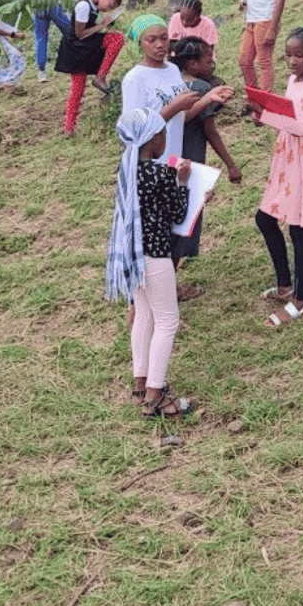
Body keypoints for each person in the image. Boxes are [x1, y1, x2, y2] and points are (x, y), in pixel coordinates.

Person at [105, 106, 196, 420]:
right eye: (161, 133)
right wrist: (184, 183)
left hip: (133, 255)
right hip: (156, 256)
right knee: (167, 320)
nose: (164, 138)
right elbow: (178, 216)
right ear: (153, 139)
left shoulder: (127, 170)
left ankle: (140, 384)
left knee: (143, 315)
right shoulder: (160, 173)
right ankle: (156, 393)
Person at [248, 28, 303, 327]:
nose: (293, 61)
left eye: (300, 55)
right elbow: (289, 116)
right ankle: (285, 285)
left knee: (299, 229)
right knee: (266, 218)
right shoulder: (293, 80)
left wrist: (266, 115)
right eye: (288, 56)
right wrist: (263, 115)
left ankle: (301, 298)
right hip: (288, 158)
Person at [170, 36, 242, 300]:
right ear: (192, 62)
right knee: (183, 226)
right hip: (191, 167)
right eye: (207, 58)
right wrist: (231, 165)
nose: (213, 62)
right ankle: (170, 287)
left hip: (167, 162)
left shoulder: (169, 84)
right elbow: (210, 132)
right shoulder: (200, 88)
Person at [121, 14, 231, 162]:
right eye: (151, 40)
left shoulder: (172, 70)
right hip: (149, 167)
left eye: (164, 38)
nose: (159, 44)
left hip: (173, 160)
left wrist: (208, 98)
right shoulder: (135, 79)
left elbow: (180, 118)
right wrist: (175, 106)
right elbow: (134, 131)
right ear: (139, 43)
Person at [59, 0, 126, 137]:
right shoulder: (83, 6)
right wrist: (101, 25)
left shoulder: (93, 6)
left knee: (116, 39)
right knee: (78, 86)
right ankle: (69, 127)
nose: (108, 9)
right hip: (76, 48)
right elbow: (80, 34)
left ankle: (101, 76)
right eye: (110, 5)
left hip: (83, 45)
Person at [22, 0, 74, 82]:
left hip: (38, 6)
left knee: (41, 38)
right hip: (52, 3)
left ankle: (42, 72)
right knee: (68, 31)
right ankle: (75, 59)